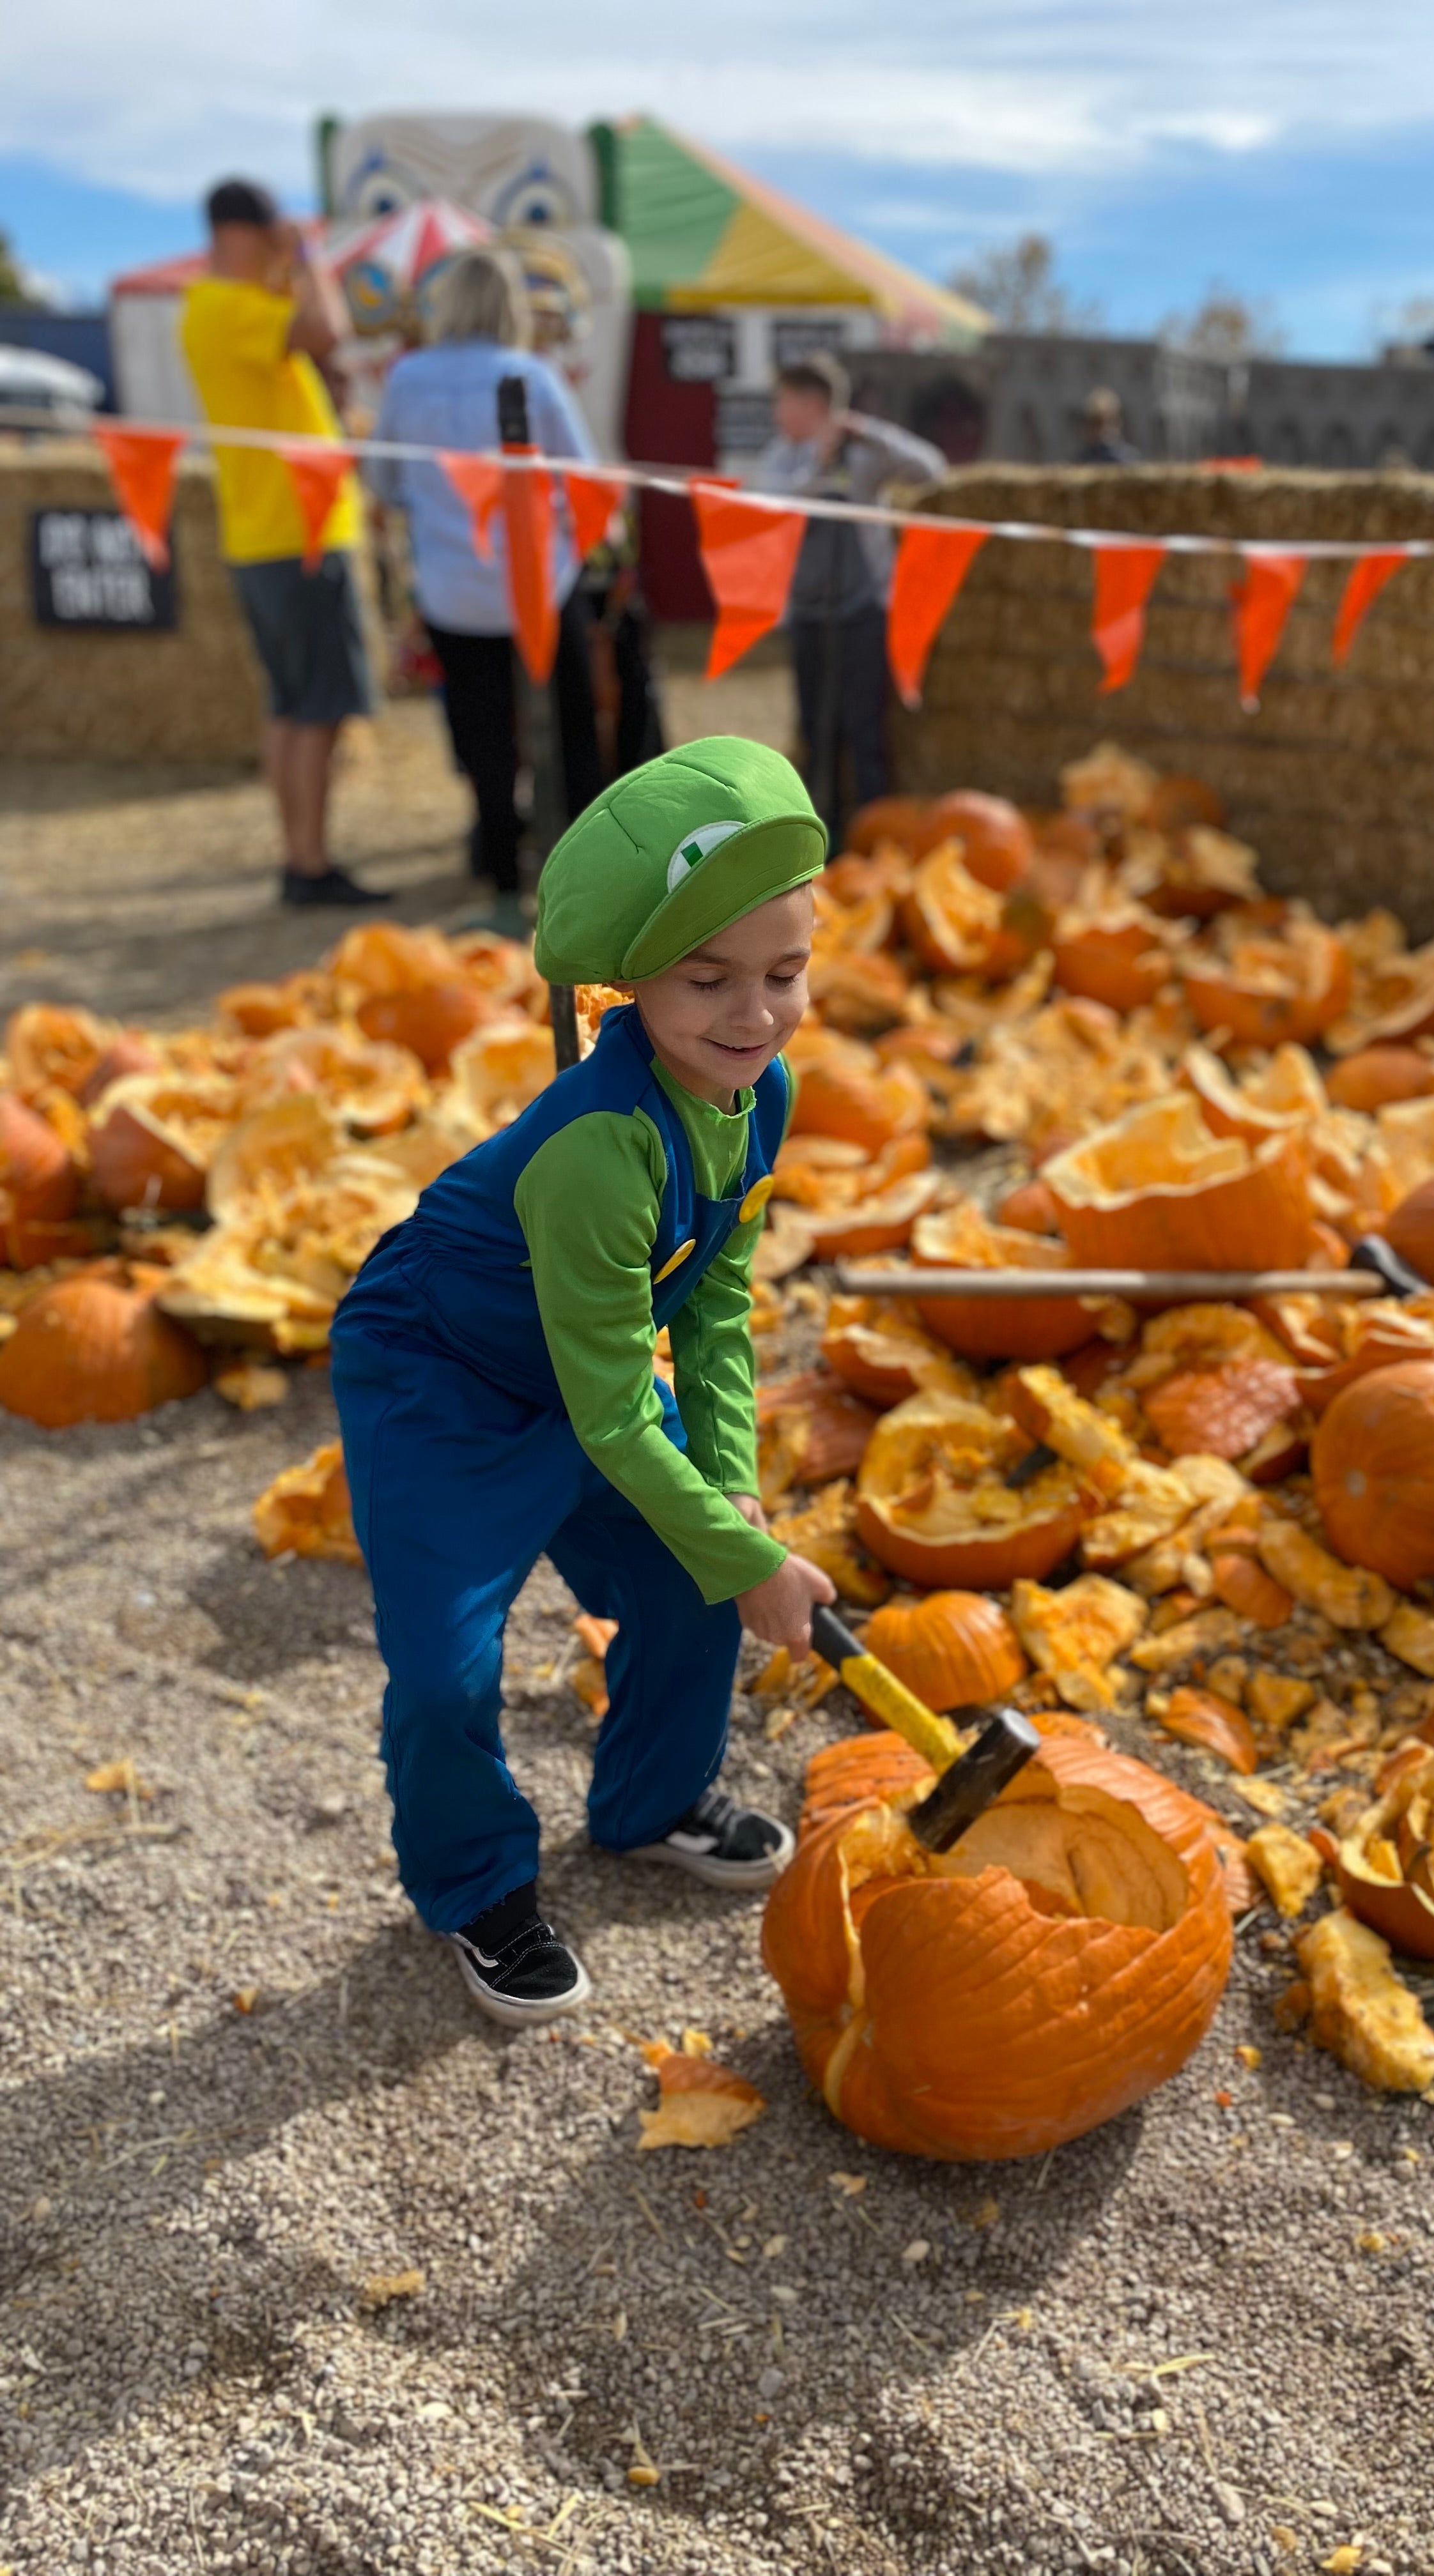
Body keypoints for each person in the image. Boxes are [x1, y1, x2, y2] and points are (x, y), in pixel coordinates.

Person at [329, 737, 836, 2027]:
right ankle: (477, 1889)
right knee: (445, 1675)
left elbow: (715, 1307)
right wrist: (739, 1546)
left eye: (784, 974)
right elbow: (617, 1405)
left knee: (689, 1580)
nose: (753, 1014)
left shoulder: (758, 1095)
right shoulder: (599, 1151)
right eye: (707, 981)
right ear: (631, 990)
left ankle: (651, 1800)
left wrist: (732, 1499)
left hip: (581, 1367)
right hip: (442, 1377)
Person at [366, 248, 606, 937]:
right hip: (539, 585)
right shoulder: (531, 374)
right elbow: (581, 480)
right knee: (570, 731)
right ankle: (589, 882)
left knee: (484, 741)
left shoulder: (406, 378)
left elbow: (383, 483)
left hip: (451, 589)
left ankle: (503, 883)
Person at [180, 178, 386, 908]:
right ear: (250, 235)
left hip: (267, 532)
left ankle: (303, 857)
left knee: (292, 704)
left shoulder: (221, 309)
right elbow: (329, 329)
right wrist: (309, 259)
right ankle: (309, 861)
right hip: (297, 532)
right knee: (318, 708)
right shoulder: (230, 306)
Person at [751, 353, 944, 842]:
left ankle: (878, 838)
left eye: (784, 403)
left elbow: (933, 471)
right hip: (810, 615)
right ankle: (820, 835)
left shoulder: (863, 452)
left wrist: (872, 433)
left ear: (812, 404)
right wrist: (818, 466)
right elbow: (774, 505)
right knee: (815, 731)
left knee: (864, 730)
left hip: (862, 612)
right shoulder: (781, 456)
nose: (777, 415)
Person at [1074, 387, 1139, 466]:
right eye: (1096, 424)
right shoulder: (1084, 459)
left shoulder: (1127, 459)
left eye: (1109, 423)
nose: (1102, 431)